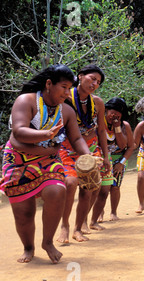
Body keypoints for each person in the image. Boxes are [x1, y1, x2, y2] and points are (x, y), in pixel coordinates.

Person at [0, 64, 91, 263]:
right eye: (64, 87)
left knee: (57, 190)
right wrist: (45, 134)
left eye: (70, 88)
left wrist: (88, 156)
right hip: (18, 159)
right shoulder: (26, 101)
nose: (68, 93)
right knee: (24, 212)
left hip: (48, 159)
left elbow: (76, 139)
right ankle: (28, 247)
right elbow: (19, 131)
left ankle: (47, 242)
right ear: (49, 84)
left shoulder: (66, 111)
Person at [57, 64, 112, 243]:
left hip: (92, 146)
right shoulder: (65, 98)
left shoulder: (97, 102)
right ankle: (64, 225)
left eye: (98, 82)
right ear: (80, 76)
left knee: (89, 188)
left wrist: (106, 155)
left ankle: (78, 228)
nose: (95, 83)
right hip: (67, 147)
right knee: (71, 182)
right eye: (92, 78)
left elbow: (102, 130)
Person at [90, 97, 134, 227]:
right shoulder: (98, 122)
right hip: (100, 157)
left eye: (118, 113)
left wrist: (117, 128)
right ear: (106, 110)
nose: (114, 115)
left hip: (119, 158)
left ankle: (113, 212)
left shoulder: (124, 125)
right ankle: (99, 212)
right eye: (112, 112)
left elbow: (126, 146)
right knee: (99, 188)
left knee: (115, 187)